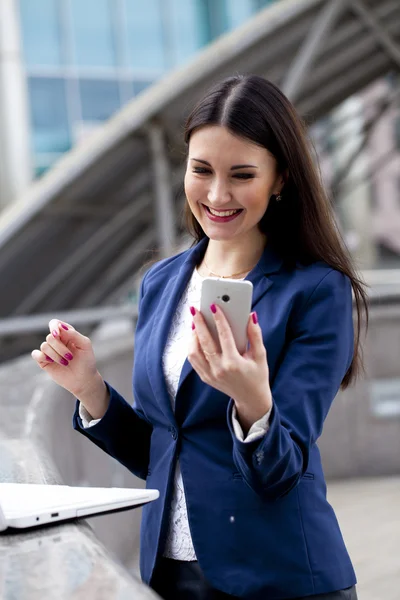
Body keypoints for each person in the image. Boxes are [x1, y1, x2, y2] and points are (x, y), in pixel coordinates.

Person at [31, 75, 367, 600]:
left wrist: (253, 402)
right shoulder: (161, 283)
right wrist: (90, 389)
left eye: (242, 174)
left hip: (280, 579)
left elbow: (282, 472)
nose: (217, 194)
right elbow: (166, 451)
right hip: (170, 575)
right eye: (201, 169)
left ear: (279, 180)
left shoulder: (316, 291)